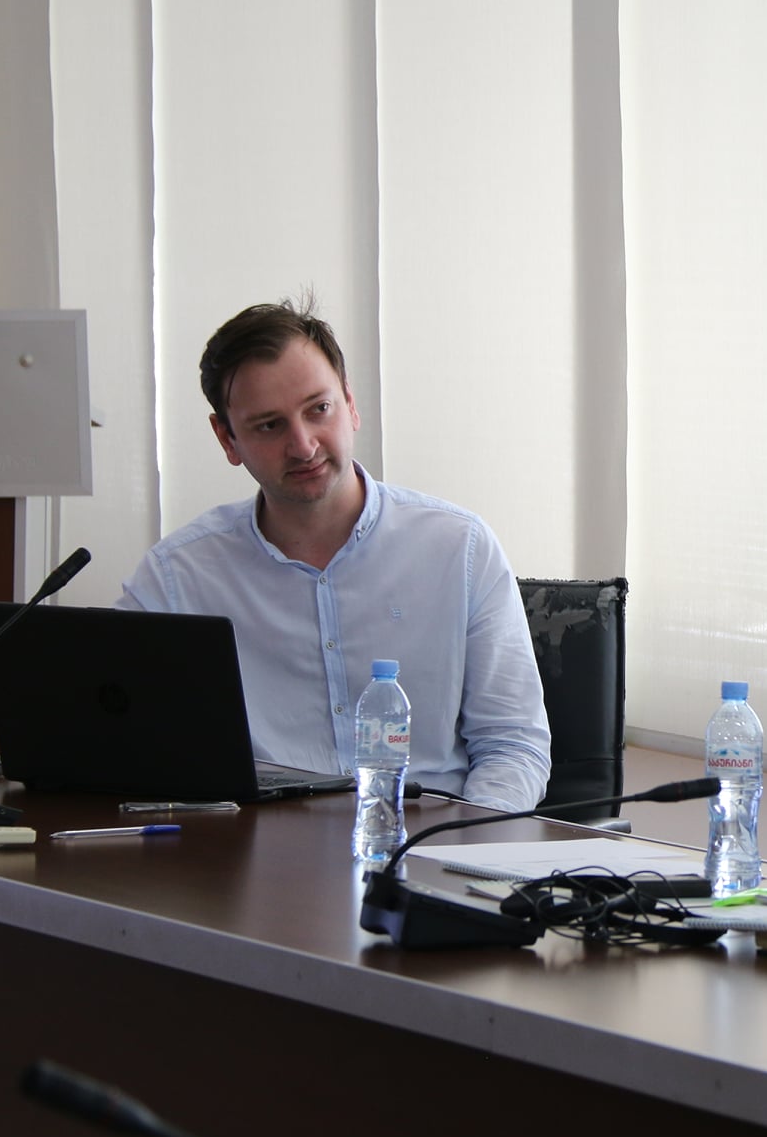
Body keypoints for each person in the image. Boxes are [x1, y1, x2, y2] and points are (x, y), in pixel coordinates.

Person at [117, 297, 550, 812]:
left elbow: (513, 746)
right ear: (227, 439)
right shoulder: (176, 578)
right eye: (269, 425)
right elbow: (115, 740)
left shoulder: (460, 549)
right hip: (257, 851)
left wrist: (462, 843)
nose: (303, 446)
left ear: (350, 403)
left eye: (318, 410)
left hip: (427, 840)